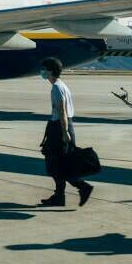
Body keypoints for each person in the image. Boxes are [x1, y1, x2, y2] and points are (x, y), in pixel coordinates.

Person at [38, 58, 93, 207]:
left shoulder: (56, 87)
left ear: (50, 70)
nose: (42, 72)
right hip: (64, 125)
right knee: (60, 164)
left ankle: (82, 187)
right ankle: (59, 196)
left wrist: (64, 132)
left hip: (60, 128)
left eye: (43, 69)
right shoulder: (62, 85)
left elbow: (61, 110)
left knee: (57, 164)